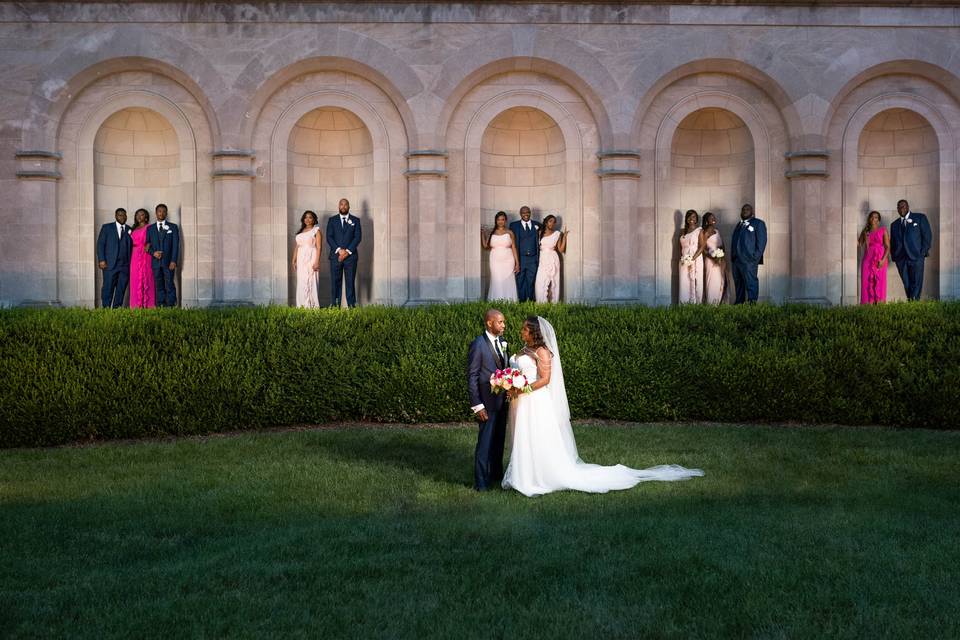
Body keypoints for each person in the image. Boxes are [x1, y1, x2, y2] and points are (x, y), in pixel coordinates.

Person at [502, 316, 703, 497]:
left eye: (525, 329)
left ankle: (539, 476)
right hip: (522, 401)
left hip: (536, 401)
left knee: (536, 436)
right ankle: (523, 473)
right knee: (524, 436)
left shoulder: (542, 352)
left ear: (534, 332)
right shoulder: (523, 350)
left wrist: (521, 390)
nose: (522, 332)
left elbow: (545, 379)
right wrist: (510, 384)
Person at [466, 309, 510, 491]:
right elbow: (472, 376)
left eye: (504, 322)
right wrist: (477, 405)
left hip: (502, 402)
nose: (503, 325)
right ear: (489, 323)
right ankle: (481, 483)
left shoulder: (503, 342)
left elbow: (504, 369)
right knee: (485, 444)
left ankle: (495, 476)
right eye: (500, 322)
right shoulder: (478, 344)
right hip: (486, 403)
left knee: (499, 441)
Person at [889, 199, 932, 301]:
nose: (901, 208)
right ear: (897, 209)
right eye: (899, 207)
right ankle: (911, 302)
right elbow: (893, 242)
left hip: (917, 257)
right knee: (907, 283)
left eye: (903, 206)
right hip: (901, 259)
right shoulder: (894, 224)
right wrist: (894, 256)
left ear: (908, 207)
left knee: (916, 282)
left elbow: (927, 236)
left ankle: (914, 303)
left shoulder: (920, 218)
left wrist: (922, 253)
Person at [325, 198, 362, 308]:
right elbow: (329, 237)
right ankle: (335, 305)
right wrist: (339, 250)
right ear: (338, 206)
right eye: (341, 204)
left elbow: (357, 237)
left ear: (349, 206)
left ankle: (351, 305)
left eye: (346, 204)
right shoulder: (332, 220)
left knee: (350, 282)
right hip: (335, 256)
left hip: (351, 257)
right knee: (335, 282)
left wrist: (347, 252)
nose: (343, 206)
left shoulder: (356, 220)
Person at [730, 203, 767, 304]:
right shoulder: (739, 225)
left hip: (749, 260)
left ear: (752, 212)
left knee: (751, 283)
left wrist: (754, 258)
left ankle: (752, 304)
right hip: (736, 260)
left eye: (747, 209)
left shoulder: (758, 223)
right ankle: (739, 304)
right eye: (743, 209)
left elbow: (762, 242)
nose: (745, 211)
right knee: (738, 284)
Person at [96, 207, 133, 308]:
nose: (122, 217)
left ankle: (117, 310)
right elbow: (100, 244)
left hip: (125, 266)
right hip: (110, 265)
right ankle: (106, 310)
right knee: (108, 288)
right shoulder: (107, 227)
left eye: (124, 215)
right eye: (120, 215)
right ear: (116, 216)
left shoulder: (130, 229)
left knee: (121, 289)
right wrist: (102, 260)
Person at [146, 203, 180, 307]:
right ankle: (161, 306)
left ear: (166, 213)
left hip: (169, 262)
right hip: (155, 263)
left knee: (169, 284)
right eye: (159, 211)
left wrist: (173, 261)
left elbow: (175, 245)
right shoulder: (150, 228)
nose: (162, 213)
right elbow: (146, 246)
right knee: (159, 285)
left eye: (164, 211)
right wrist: (153, 253)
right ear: (156, 213)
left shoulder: (173, 227)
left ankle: (171, 306)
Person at [481, 211, 519, 301]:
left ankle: (510, 301)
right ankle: (496, 301)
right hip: (495, 260)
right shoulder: (492, 232)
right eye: (498, 220)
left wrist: (517, 263)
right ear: (496, 221)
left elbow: (514, 247)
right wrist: (482, 234)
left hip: (508, 260)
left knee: (508, 281)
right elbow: (486, 246)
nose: (500, 221)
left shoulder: (510, 232)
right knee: (496, 280)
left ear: (505, 221)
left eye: (502, 219)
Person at [534, 214, 569, 303]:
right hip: (542, 259)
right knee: (540, 283)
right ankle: (541, 305)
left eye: (554, 222)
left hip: (553, 258)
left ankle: (554, 304)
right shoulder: (539, 233)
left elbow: (561, 249)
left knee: (554, 282)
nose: (552, 224)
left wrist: (564, 237)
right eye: (550, 221)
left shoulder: (557, 234)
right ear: (546, 222)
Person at [509, 206, 540, 302]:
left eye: (527, 212)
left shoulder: (538, 225)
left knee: (531, 281)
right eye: (523, 212)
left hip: (533, 259)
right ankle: (522, 302)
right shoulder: (513, 225)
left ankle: (530, 302)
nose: (525, 214)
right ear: (520, 213)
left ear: (530, 213)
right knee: (520, 281)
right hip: (520, 259)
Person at [858, 210, 890, 304]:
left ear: (879, 220)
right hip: (867, 259)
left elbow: (888, 247)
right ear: (869, 219)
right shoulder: (865, 231)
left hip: (880, 259)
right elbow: (859, 243)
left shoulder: (883, 230)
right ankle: (867, 306)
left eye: (876, 217)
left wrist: (883, 260)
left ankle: (879, 306)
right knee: (866, 283)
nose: (873, 219)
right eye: (872, 217)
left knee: (880, 282)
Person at [293, 210, 323, 308]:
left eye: (310, 217)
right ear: (303, 219)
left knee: (311, 281)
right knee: (301, 282)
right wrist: (293, 259)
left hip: (311, 258)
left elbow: (319, 247)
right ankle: (301, 306)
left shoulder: (316, 230)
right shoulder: (301, 232)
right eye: (306, 217)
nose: (308, 219)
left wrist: (317, 261)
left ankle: (312, 307)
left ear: (314, 219)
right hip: (301, 259)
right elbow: (297, 246)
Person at [128, 208, 155, 309]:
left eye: (142, 215)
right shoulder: (132, 228)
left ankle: (149, 305)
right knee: (135, 279)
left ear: (146, 217)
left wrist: (149, 244)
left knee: (147, 278)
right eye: (137, 214)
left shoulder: (150, 227)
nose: (139, 216)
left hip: (146, 255)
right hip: (134, 256)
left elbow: (154, 239)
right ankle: (135, 306)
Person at [678, 209, 705, 304]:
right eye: (689, 217)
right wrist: (683, 258)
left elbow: (702, 246)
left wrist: (692, 259)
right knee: (684, 282)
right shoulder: (682, 232)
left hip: (695, 258)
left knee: (695, 281)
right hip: (684, 260)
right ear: (686, 219)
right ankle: (684, 305)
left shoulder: (699, 230)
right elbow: (680, 247)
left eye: (693, 216)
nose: (691, 219)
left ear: (696, 219)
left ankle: (696, 305)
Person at [702, 211, 726, 304]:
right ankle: (711, 303)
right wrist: (713, 258)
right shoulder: (705, 233)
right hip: (710, 261)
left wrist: (722, 257)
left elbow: (722, 245)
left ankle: (718, 303)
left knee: (720, 281)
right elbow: (703, 249)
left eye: (714, 217)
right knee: (711, 282)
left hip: (720, 260)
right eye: (711, 218)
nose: (714, 219)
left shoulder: (717, 231)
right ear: (707, 221)